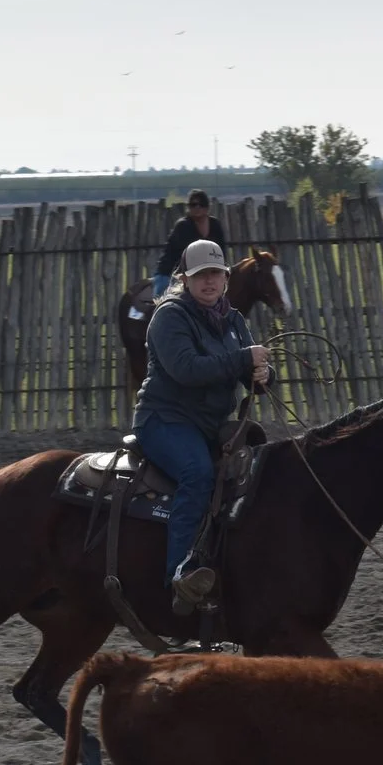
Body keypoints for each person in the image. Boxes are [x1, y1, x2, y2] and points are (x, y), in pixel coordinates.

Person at [132, 238, 271, 609]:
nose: (209, 281)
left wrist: (262, 374)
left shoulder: (233, 320)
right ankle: (180, 576)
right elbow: (187, 370)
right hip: (164, 420)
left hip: (208, 425)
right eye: (200, 275)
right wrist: (244, 359)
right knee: (197, 473)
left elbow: (248, 372)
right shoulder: (169, 317)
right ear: (184, 279)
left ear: (225, 278)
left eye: (215, 274)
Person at [153, 191, 224, 284]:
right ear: (189, 207)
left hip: (205, 271)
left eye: (201, 204)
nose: (197, 207)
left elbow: (221, 250)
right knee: (162, 291)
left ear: (207, 207)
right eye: (193, 205)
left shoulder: (215, 225)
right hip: (171, 272)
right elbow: (182, 254)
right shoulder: (183, 226)